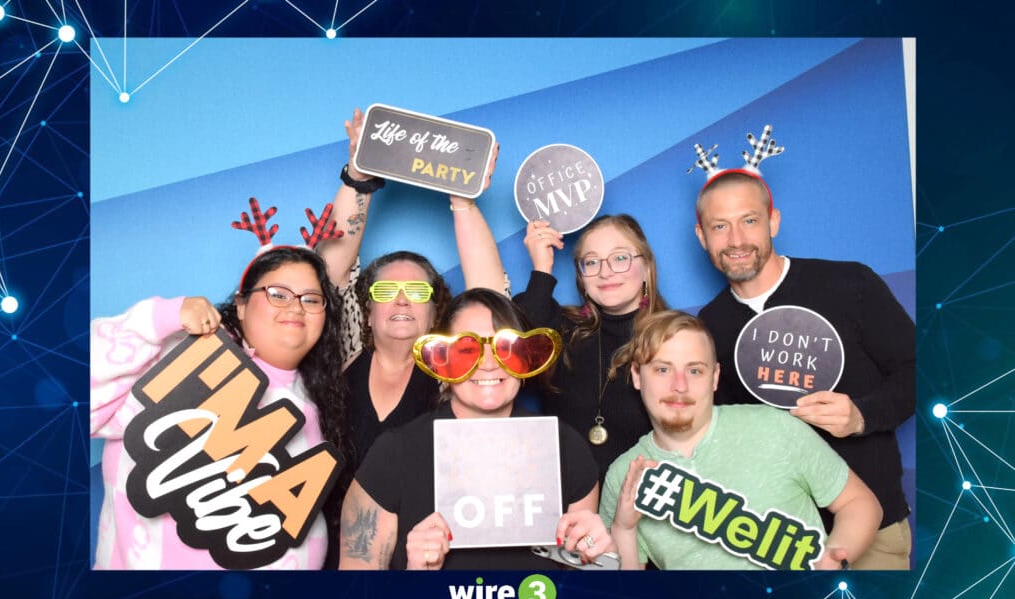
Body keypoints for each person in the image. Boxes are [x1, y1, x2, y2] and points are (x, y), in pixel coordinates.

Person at [311, 109, 507, 568]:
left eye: (417, 291)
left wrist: (464, 203)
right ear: (367, 306)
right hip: (337, 553)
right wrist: (357, 178)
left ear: (436, 308)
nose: (401, 302)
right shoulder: (343, 358)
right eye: (386, 291)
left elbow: (489, 299)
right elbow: (328, 275)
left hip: (436, 551)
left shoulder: (456, 372)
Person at [693, 169, 914, 569]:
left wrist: (862, 415)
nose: (737, 240)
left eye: (749, 221)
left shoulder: (848, 284)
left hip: (873, 531)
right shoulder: (709, 328)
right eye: (719, 226)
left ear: (773, 221)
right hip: (772, 542)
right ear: (701, 236)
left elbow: (918, 369)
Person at [91, 247, 348, 569]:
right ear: (241, 305)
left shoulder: (317, 399)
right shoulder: (185, 361)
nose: (296, 307)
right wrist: (158, 318)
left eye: (311, 299)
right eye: (278, 294)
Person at [338, 288, 608, 570]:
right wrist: (414, 578)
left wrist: (595, 556)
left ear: (526, 356)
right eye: (467, 351)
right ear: (442, 359)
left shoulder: (565, 447)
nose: (489, 364)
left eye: (506, 348)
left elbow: (578, 595)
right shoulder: (393, 454)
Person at [600, 310, 882, 570]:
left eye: (695, 370)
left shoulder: (773, 426)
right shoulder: (623, 476)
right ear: (637, 375)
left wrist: (832, 559)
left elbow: (859, 502)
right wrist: (623, 530)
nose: (680, 385)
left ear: (714, 377)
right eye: (662, 369)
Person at [515, 214, 668, 484]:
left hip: (642, 509)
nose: (605, 272)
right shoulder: (563, 330)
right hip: (565, 505)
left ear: (646, 267)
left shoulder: (676, 337)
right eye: (592, 262)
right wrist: (542, 269)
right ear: (581, 276)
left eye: (620, 258)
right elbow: (518, 352)